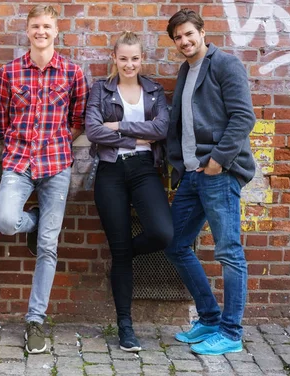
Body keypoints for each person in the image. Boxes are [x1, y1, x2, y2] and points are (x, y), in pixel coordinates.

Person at [0, 5, 87, 354]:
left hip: (57, 166)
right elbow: (1, 122)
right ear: (27, 30)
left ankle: (35, 320)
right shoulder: (9, 72)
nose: (41, 31)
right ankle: (30, 222)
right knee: (5, 220)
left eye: (47, 26)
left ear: (56, 30)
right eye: (35, 26)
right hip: (18, 162)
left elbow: (77, 119)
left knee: (49, 246)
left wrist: (56, 143)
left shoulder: (72, 73)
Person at [164, 9, 256, 355]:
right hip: (191, 175)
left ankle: (231, 333)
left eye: (189, 34)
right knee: (175, 245)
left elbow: (243, 116)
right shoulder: (185, 70)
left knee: (229, 252)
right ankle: (209, 318)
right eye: (178, 37)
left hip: (218, 173)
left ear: (202, 32)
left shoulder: (224, 64)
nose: (184, 41)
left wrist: (218, 161)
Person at [85, 31, 173, 352]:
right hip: (110, 172)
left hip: (144, 171)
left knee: (163, 233)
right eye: (123, 58)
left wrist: (119, 127)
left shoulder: (153, 90)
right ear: (114, 58)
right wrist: (135, 138)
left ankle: (124, 253)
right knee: (120, 250)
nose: (129, 64)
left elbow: (161, 129)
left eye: (135, 58)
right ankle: (126, 326)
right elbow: (93, 130)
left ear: (141, 59)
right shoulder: (101, 89)